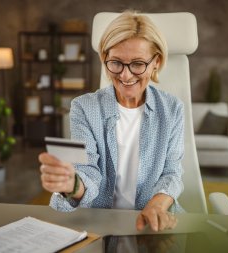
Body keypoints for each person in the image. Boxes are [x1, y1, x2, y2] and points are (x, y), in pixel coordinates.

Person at [38, 10, 184, 232]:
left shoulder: (172, 109)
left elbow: (172, 172)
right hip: (100, 225)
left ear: (156, 62)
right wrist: (73, 185)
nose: (125, 76)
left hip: (153, 227)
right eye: (115, 63)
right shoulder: (84, 108)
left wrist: (157, 205)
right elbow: (87, 170)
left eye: (137, 64)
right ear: (104, 59)